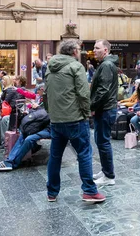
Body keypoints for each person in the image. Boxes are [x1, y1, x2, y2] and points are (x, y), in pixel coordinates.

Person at [43, 40, 105, 203]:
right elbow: (84, 94)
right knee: (84, 153)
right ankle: (89, 191)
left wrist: (51, 113)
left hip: (56, 120)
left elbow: (45, 93)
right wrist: (86, 114)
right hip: (75, 119)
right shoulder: (76, 67)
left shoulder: (50, 67)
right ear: (74, 51)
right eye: (78, 49)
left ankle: (52, 192)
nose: (80, 52)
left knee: (55, 156)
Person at [0, 91, 50, 171]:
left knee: (29, 138)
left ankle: (13, 163)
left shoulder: (54, 101)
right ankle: (9, 161)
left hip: (51, 128)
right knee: (24, 133)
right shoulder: (47, 99)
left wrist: (37, 108)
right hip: (44, 125)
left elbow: (47, 114)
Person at [90, 39, 119, 186]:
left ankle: (109, 176)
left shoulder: (107, 65)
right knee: (101, 141)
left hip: (105, 109)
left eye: (97, 48)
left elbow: (103, 90)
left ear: (105, 50)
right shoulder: (105, 64)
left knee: (103, 142)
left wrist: (92, 106)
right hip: (105, 108)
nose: (94, 50)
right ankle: (106, 170)